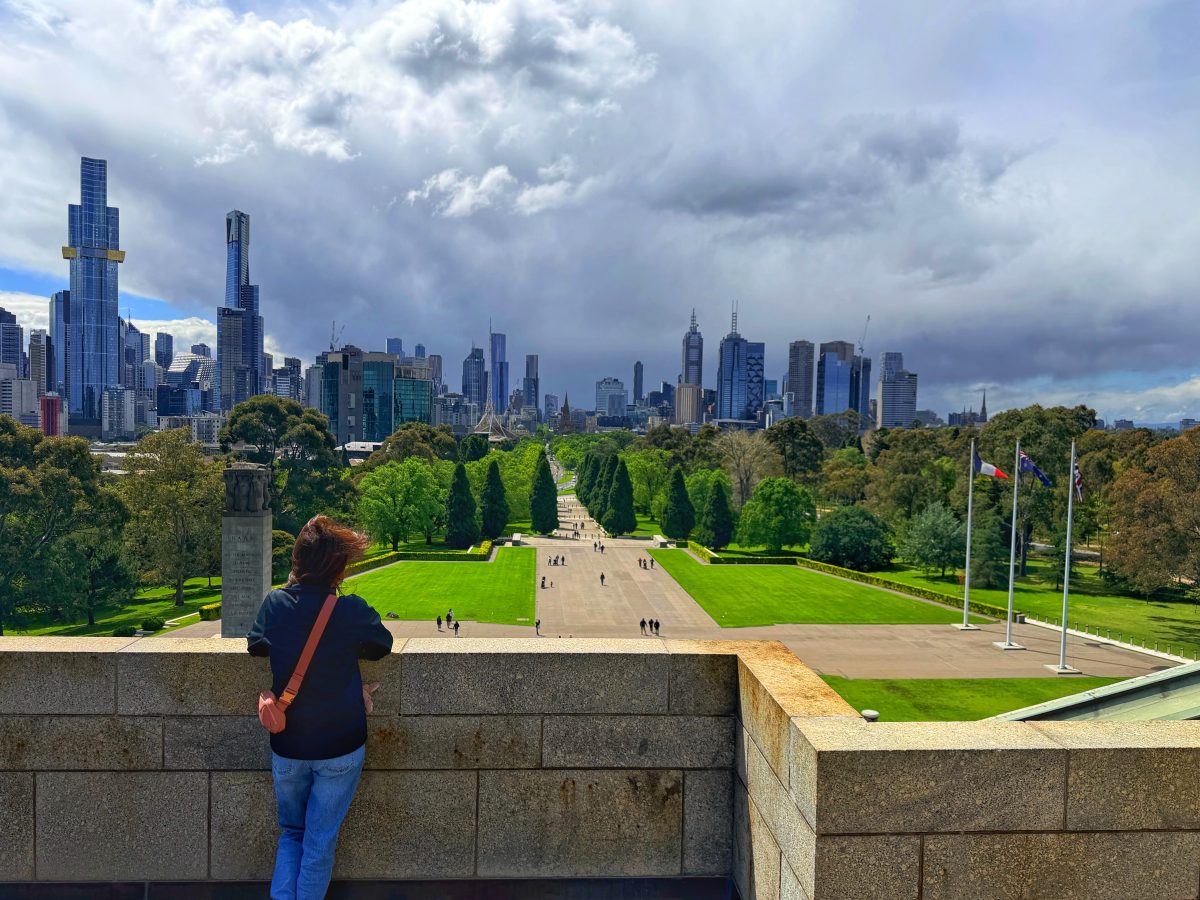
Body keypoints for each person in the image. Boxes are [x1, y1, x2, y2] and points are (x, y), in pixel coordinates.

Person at [247, 515, 392, 900]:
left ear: (298, 560)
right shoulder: (351, 609)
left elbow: (255, 645)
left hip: (289, 743)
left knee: (292, 833)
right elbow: (382, 646)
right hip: (340, 744)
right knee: (318, 842)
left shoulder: (276, 603)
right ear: (338, 567)